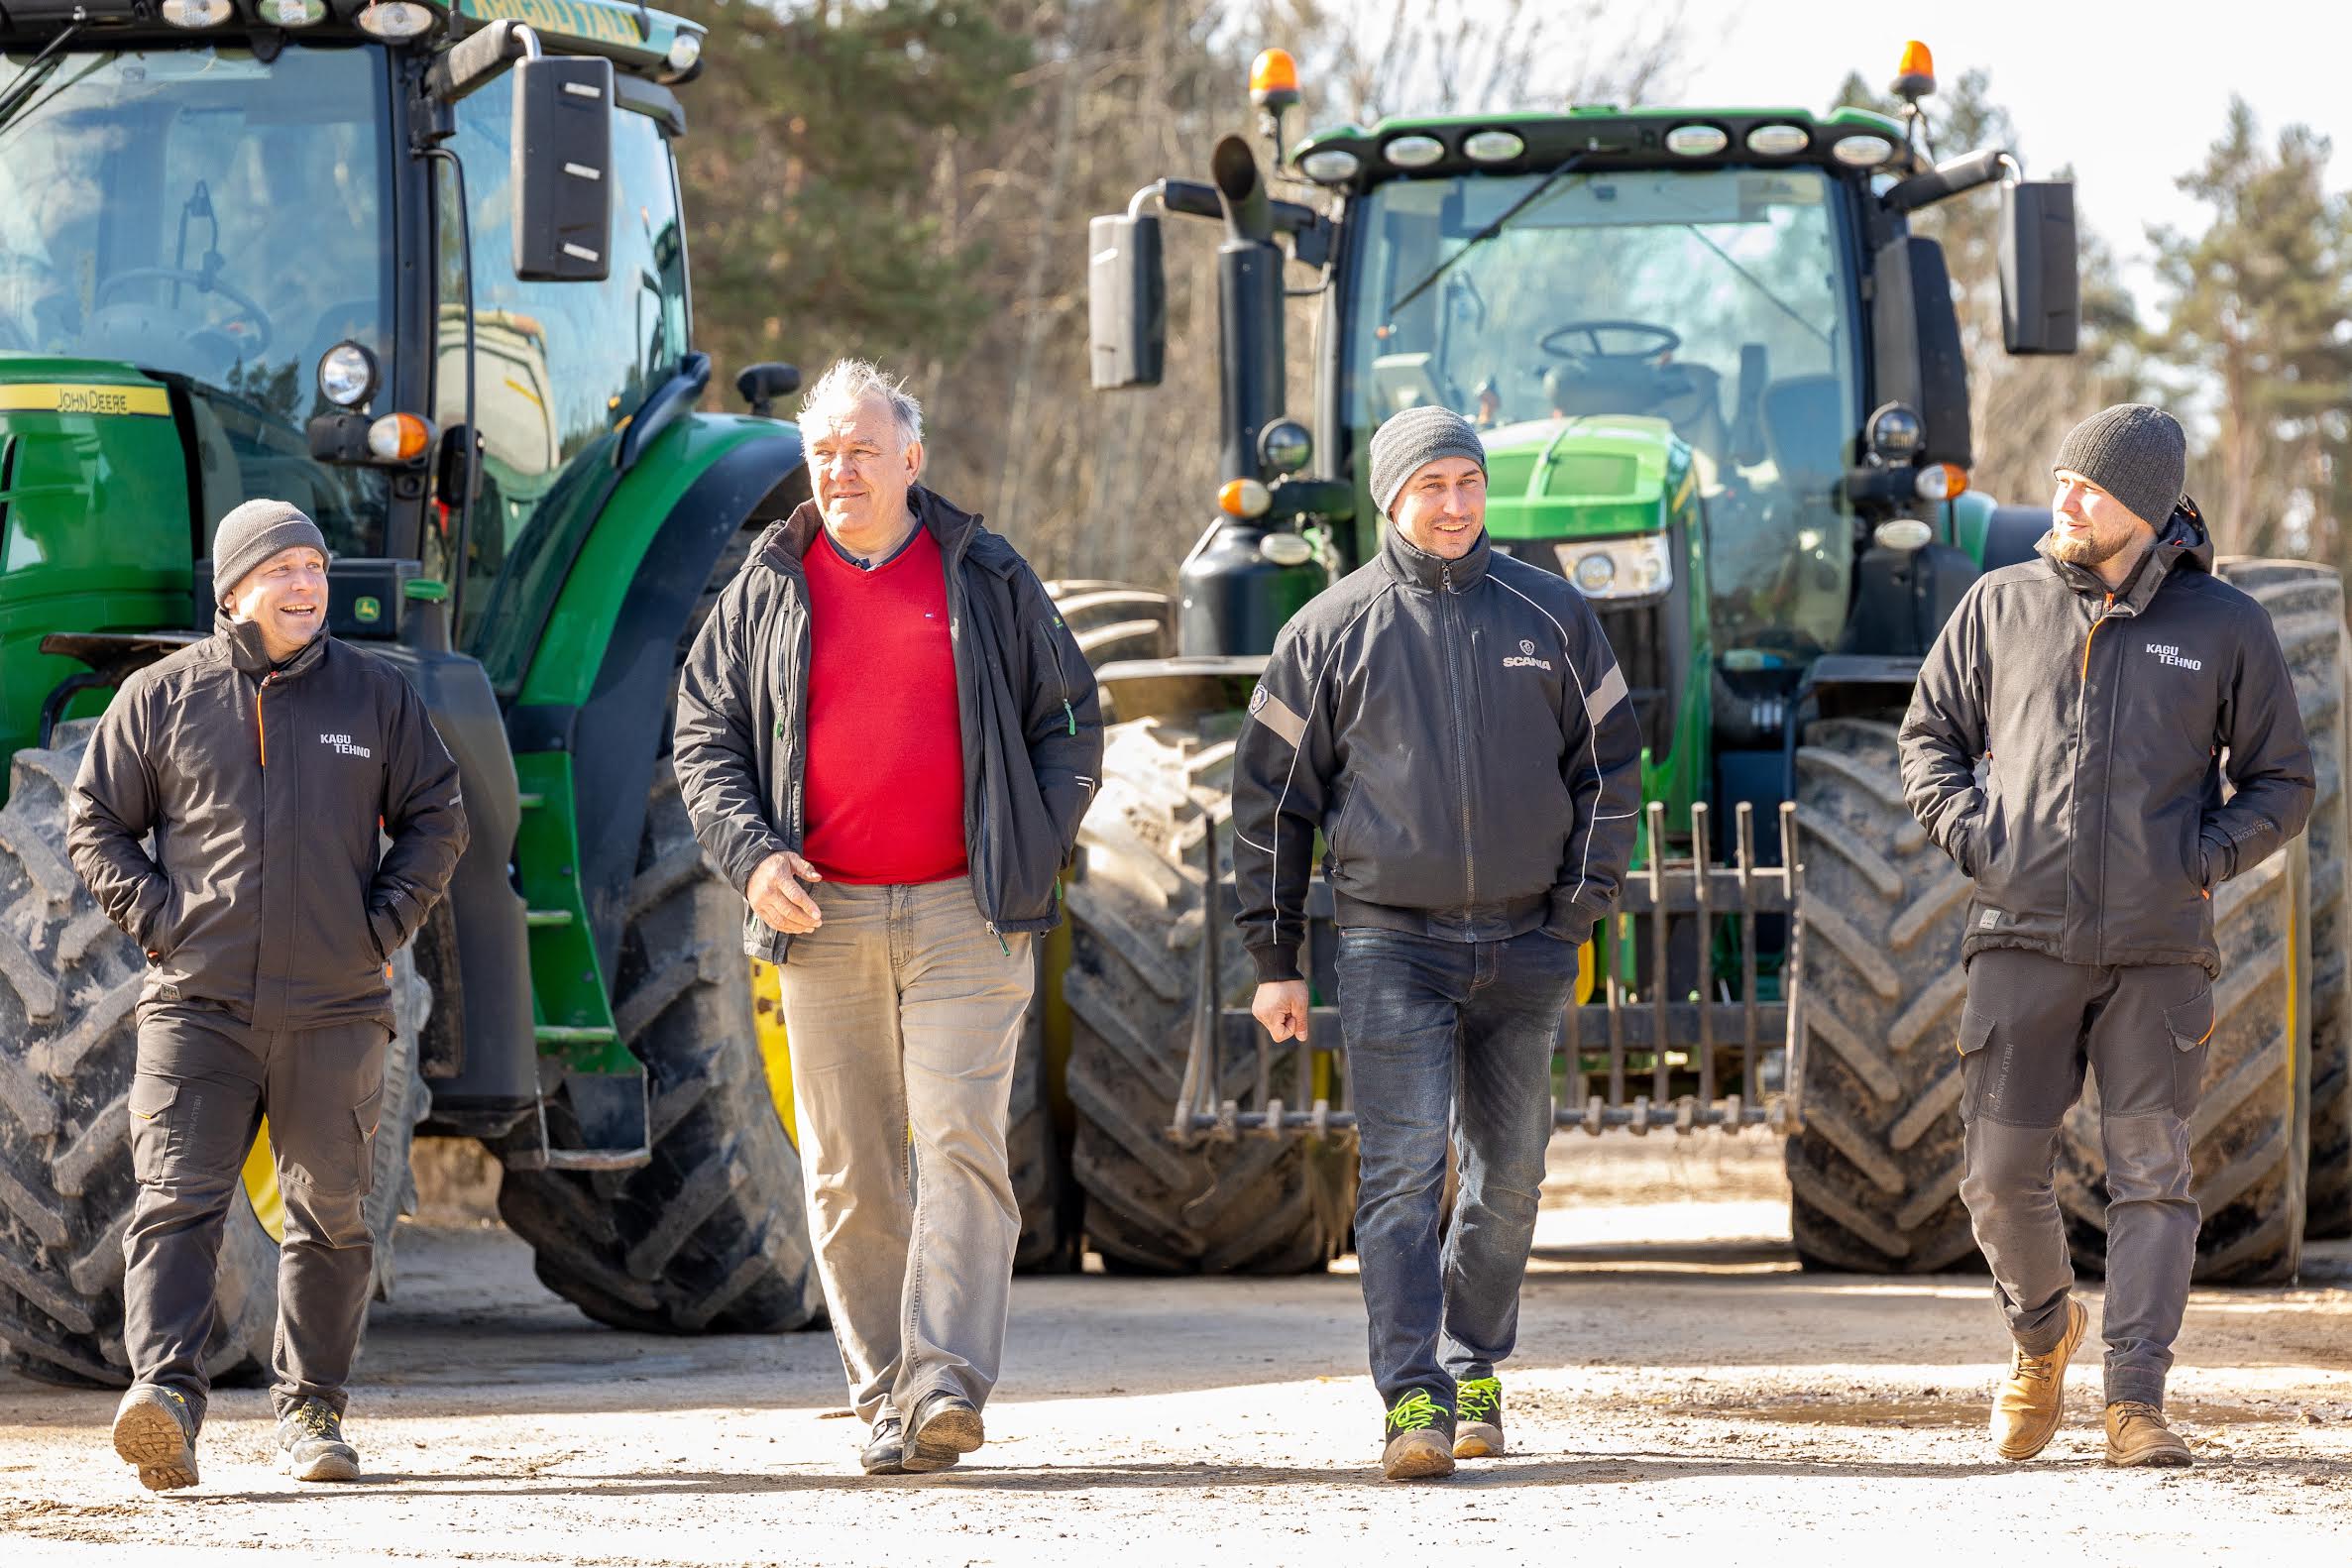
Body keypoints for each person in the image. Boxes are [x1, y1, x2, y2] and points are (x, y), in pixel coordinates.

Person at [673, 359, 1102, 1476]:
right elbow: (703, 737)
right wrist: (751, 854)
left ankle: (947, 1382)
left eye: (863, 449)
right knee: (852, 1162)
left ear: (913, 458)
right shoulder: (765, 587)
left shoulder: (987, 573)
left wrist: (1032, 848)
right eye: (822, 452)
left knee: (960, 1140)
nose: (841, 469)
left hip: (972, 910)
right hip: (824, 919)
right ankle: (883, 1396)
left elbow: (1069, 716)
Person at [1231, 403, 1642, 1480]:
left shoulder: (1551, 615)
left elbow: (1612, 771)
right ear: (1391, 499)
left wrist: (1575, 911)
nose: (1454, 505)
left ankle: (1473, 1362)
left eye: (1468, 483)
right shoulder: (1325, 632)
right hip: (1388, 944)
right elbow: (1271, 806)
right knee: (1406, 1171)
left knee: (1508, 1177)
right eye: (1432, 486)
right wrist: (1276, 959)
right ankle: (1412, 1395)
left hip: (1527, 942)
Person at [1900, 403, 2314, 1469]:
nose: (2065, 501)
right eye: (2063, 479)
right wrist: (1975, 833)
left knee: (2149, 1175)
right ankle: (2044, 1336)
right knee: (1996, 1175)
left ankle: (2136, 1399)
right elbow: (1929, 738)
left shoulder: (2226, 625)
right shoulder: (2000, 603)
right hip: (2019, 937)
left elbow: (2284, 783)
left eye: (2089, 487)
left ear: (2146, 505)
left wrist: (2200, 859)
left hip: (2158, 951)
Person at [67, 499, 468, 1491]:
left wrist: (377, 929)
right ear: (235, 588)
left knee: (329, 1214)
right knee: (174, 1203)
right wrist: (164, 923)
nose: (306, 586)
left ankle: (313, 1412)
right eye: (283, 569)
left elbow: (439, 815)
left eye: (316, 569)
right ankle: (165, 1399)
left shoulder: (372, 697)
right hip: (198, 1007)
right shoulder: (162, 697)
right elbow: (94, 824)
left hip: (334, 1011)